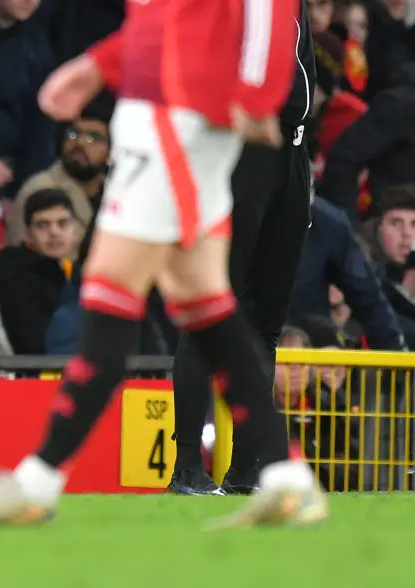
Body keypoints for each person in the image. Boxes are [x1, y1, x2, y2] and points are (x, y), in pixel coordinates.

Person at [0, 0, 327, 527]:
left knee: (111, 297)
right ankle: (286, 477)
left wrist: (257, 96)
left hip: (178, 125)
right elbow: (165, 23)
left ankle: (36, 482)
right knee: (207, 307)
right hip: (166, 120)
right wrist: (97, 66)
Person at [168, 0, 319, 495]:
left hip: (291, 157)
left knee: (264, 321)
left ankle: (248, 468)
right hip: (232, 150)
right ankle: (188, 465)